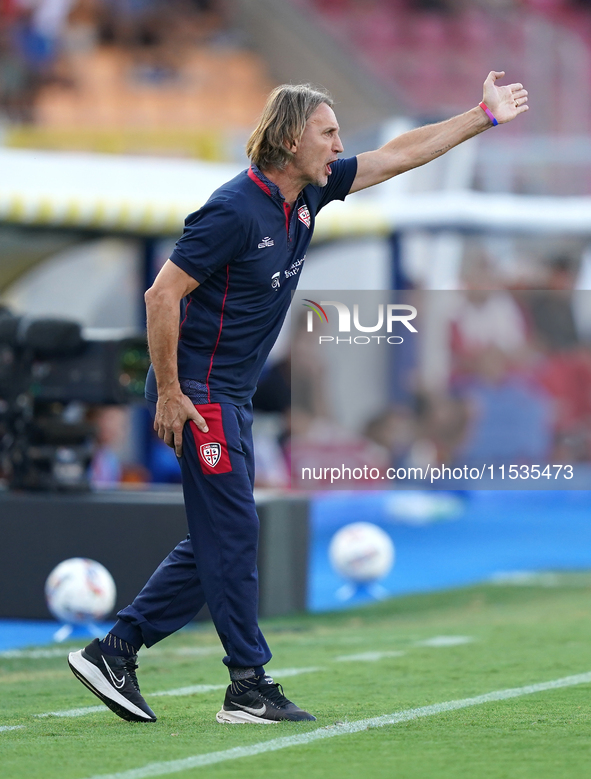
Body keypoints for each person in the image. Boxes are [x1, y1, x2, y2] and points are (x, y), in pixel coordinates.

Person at [68, 71, 528, 724]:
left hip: (227, 393)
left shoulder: (310, 192)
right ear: (289, 140)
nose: (340, 144)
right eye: (328, 132)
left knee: (220, 536)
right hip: (198, 392)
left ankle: (116, 648)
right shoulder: (233, 210)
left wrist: (480, 115)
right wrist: (170, 391)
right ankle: (247, 683)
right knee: (233, 532)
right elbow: (160, 294)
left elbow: (399, 155)